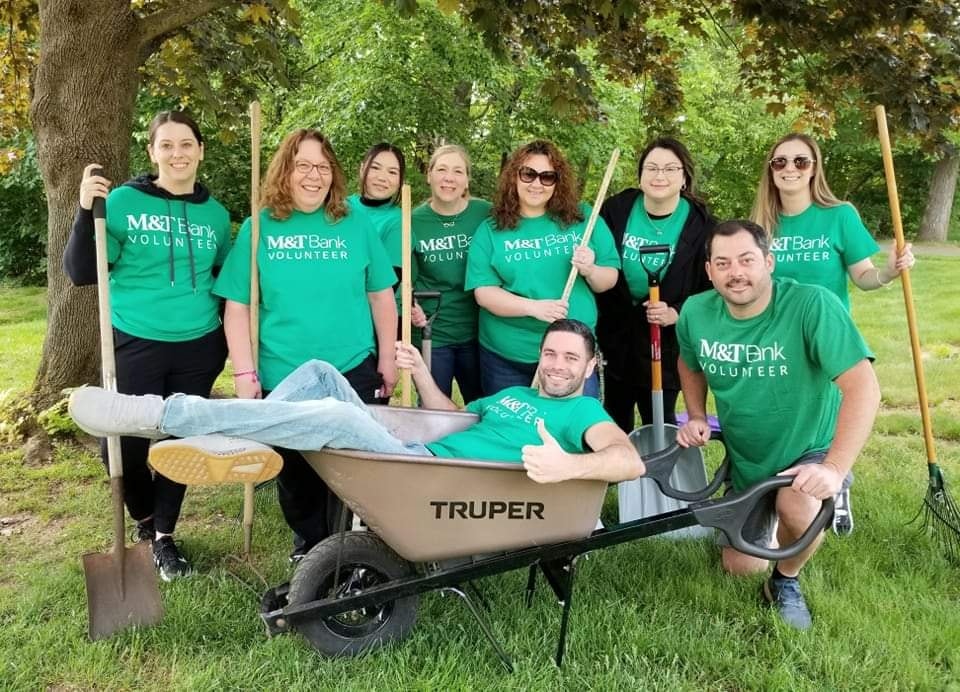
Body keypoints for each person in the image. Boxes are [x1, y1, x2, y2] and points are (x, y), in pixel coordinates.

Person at [68, 320, 645, 486]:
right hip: (416, 449)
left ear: (590, 367)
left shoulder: (582, 414)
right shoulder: (517, 393)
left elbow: (628, 460)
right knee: (321, 373)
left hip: (435, 479)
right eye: (552, 353)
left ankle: (158, 414)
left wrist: (570, 466)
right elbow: (450, 417)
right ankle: (237, 442)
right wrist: (421, 376)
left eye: (572, 358)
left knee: (341, 414)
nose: (558, 365)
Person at [675, 219, 880, 630]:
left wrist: (833, 469)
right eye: (724, 262)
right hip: (748, 455)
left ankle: (786, 580)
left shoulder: (812, 306)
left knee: (799, 507)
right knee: (739, 566)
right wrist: (696, 414)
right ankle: (769, 526)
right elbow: (688, 362)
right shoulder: (696, 313)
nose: (736, 272)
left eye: (747, 260)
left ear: (768, 262)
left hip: (809, 447)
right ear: (709, 270)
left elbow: (865, 390)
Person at [213, 128, 398, 559]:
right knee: (297, 471)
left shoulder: (356, 224)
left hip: (353, 366)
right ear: (285, 171)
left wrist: (387, 357)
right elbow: (237, 308)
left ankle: (360, 544)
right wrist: (244, 373)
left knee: (360, 463)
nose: (313, 176)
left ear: (333, 173)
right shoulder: (260, 228)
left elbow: (381, 295)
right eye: (303, 166)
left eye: (322, 166)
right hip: (286, 373)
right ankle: (311, 545)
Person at [62, 111, 232, 581]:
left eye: (186, 144)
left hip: (199, 343)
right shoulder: (122, 202)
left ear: (200, 150)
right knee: (123, 443)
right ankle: (145, 520)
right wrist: (83, 210)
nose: (177, 154)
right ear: (153, 152)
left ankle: (165, 538)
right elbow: (80, 271)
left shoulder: (216, 215)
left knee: (180, 438)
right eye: (167, 145)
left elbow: (221, 276)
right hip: (135, 338)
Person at [751, 133, 915, 534]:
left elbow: (864, 276)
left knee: (828, 416)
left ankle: (834, 478)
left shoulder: (839, 215)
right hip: (777, 336)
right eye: (780, 162)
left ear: (814, 169)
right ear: (771, 172)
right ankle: (777, 490)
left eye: (800, 162)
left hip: (826, 335)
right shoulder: (761, 224)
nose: (790, 169)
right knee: (786, 414)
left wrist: (890, 273)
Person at [465, 140, 620, 398]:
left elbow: (609, 279)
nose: (536, 184)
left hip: (571, 355)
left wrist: (591, 269)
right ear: (514, 176)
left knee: (574, 432)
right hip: (508, 356)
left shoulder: (583, 218)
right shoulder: (491, 229)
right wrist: (533, 308)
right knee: (511, 434)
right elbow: (484, 293)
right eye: (528, 174)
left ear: (558, 182)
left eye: (547, 177)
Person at [596, 137, 714, 432]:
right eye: (652, 168)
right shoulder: (617, 209)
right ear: (640, 175)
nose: (660, 175)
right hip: (618, 334)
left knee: (659, 418)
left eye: (670, 168)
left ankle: (660, 473)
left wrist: (677, 312)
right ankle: (616, 472)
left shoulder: (703, 227)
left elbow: (712, 288)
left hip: (667, 341)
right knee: (614, 415)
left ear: (684, 177)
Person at [383, 144, 491, 403]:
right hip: (433, 333)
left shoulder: (485, 214)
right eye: (441, 169)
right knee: (434, 410)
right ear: (429, 175)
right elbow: (401, 279)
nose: (448, 178)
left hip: (479, 333)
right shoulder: (412, 220)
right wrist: (410, 305)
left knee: (481, 408)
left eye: (457, 171)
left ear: (467, 180)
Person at [347, 143, 405, 239]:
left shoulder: (399, 222)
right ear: (362, 169)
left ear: (400, 180)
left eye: (392, 172)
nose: (382, 178)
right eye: (375, 167)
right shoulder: (341, 206)